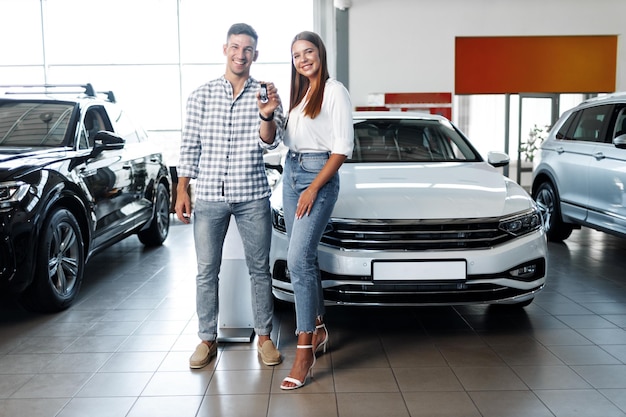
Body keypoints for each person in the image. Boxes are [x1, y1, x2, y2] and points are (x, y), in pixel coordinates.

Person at [175, 23, 285, 369]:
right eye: (235, 47)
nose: (241, 54)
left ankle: (264, 338)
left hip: (252, 194)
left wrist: (266, 115)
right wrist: (182, 189)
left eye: (248, 49)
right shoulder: (201, 95)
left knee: (259, 270)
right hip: (208, 195)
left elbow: (270, 142)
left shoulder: (265, 94)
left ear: (256, 54)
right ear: (225, 49)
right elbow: (190, 145)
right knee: (207, 271)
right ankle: (207, 339)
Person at [280, 31, 354, 390]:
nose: (303, 59)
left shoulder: (334, 91)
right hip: (291, 172)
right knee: (305, 261)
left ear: (320, 54)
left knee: (297, 260)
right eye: (296, 55)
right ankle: (320, 327)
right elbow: (287, 140)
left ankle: (304, 350)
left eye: (308, 52)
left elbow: (341, 149)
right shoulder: (299, 95)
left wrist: (313, 187)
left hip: (317, 176)